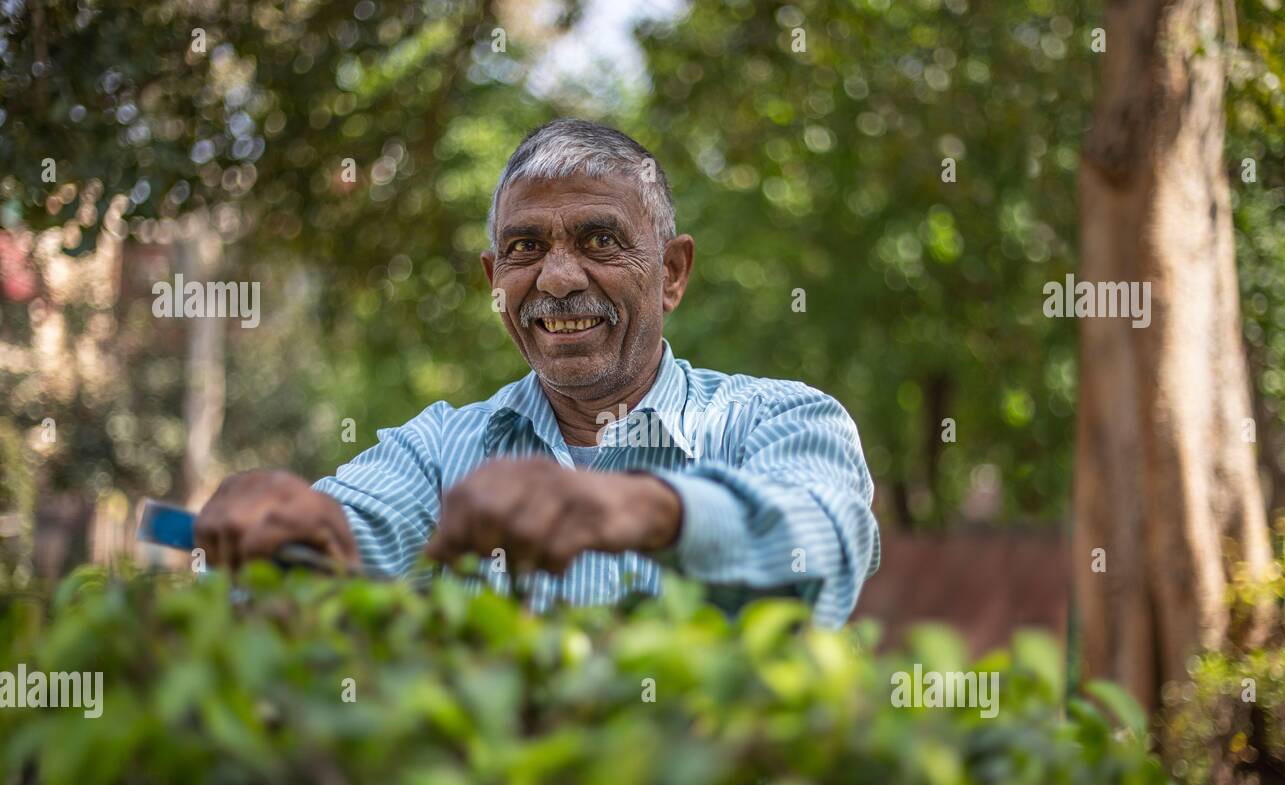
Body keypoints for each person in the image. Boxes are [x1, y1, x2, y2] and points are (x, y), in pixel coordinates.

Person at [196, 119, 880, 627]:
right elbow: (342, 532)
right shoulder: (439, 451)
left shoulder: (781, 419)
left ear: (671, 273)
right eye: (526, 248)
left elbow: (824, 543)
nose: (556, 278)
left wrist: (630, 507)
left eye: (600, 241)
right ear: (496, 281)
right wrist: (280, 519)